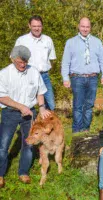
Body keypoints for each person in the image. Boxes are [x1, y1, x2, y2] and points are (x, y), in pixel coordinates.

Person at [0, 45, 50, 188]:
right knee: (3, 145)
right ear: (12, 59)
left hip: (30, 114)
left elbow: (40, 91)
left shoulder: (33, 72)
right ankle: (0, 174)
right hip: (10, 113)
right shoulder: (4, 74)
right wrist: (21, 107)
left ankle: (23, 172)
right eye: (19, 62)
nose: (23, 65)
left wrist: (41, 107)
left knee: (28, 144)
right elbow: (2, 97)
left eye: (25, 62)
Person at [61, 17, 103, 133]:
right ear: (79, 26)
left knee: (89, 106)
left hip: (93, 78)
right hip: (77, 78)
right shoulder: (71, 42)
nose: (85, 29)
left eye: (87, 27)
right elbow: (65, 62)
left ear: (90, 27)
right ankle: (77, 130)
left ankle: (85, 129)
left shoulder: (97, 42)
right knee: (78, 106)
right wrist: (65, 78)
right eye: (83, 26)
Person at [15, 15, 57, 110]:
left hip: (44, 76)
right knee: (28, 104)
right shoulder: (22, 40)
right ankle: (30, 123)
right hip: (27, 76)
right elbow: (14, 58)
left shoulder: (48, 40)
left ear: (42, 26)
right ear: (29, 26)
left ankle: (46, 124)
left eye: (39, 26)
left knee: (51, 104)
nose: (37, 28)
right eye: (34, 26)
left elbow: (52, 59)